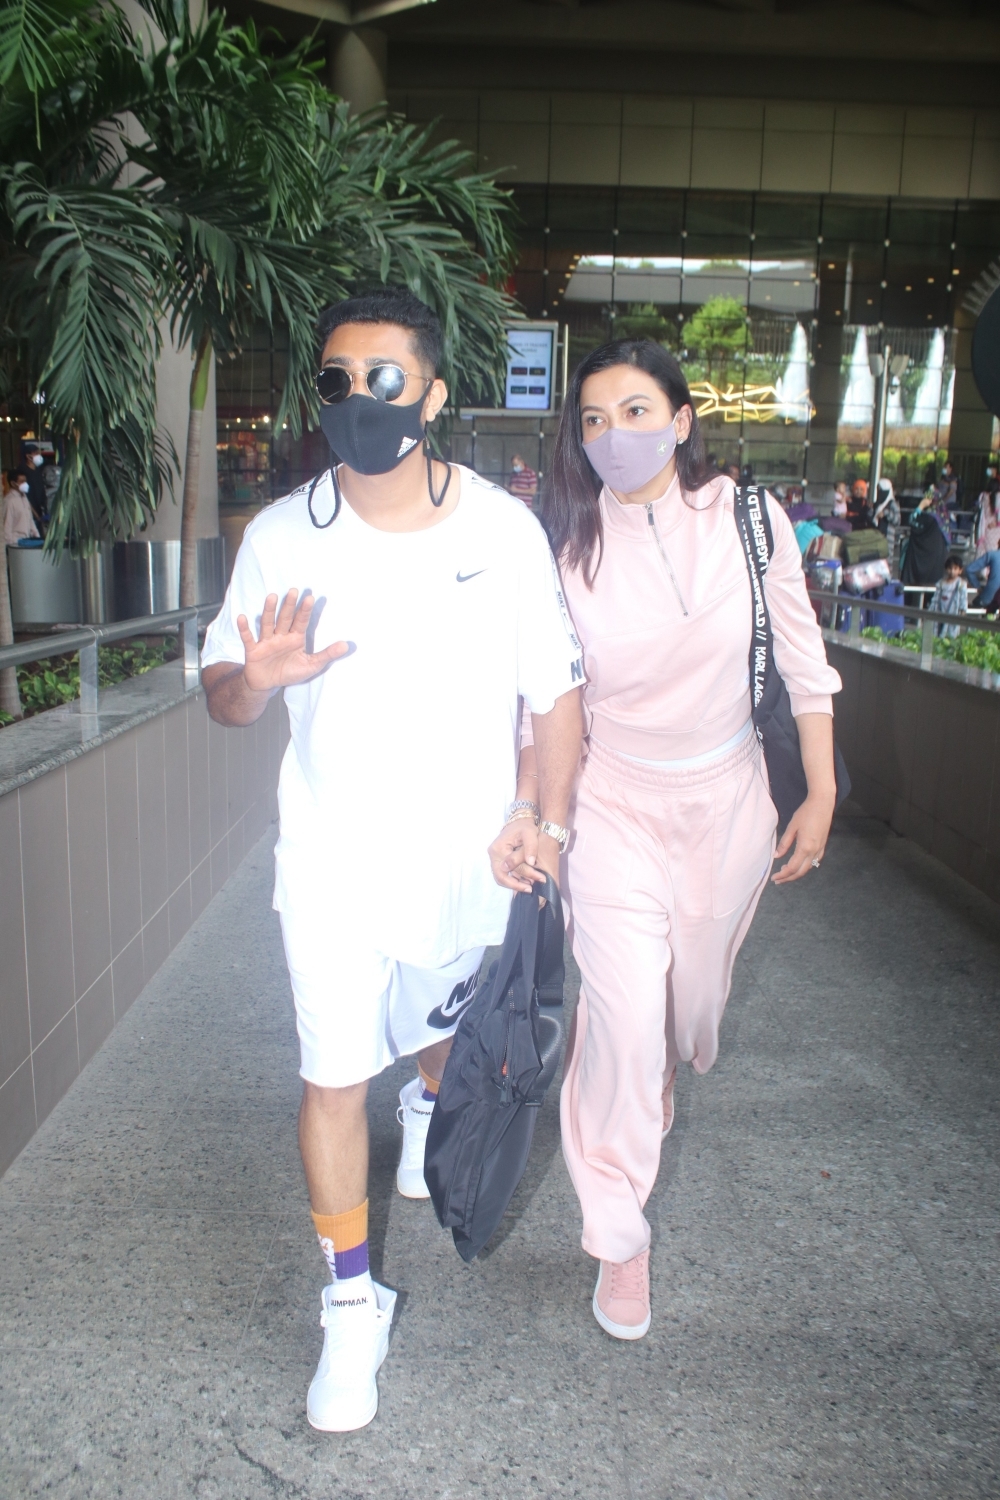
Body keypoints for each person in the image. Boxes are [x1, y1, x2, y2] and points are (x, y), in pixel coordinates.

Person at [201, 287, 583, 1432]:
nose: (356, 402)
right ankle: (350, 1306)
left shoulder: (499, 530)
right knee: (328, 1078)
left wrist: (544, 821)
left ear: (435, 394)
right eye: (335, 383)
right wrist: (254, 681)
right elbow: (221, 694)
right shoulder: (278, 536)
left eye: (383, 380)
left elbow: (555, 697)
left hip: (463, 866)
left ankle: (427, 1105)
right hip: (327, 861)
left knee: (435, 1043)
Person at [489, 339, 840, 1341]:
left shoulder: (747, 520)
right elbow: (543, 708)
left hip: (729, 806)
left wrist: (816, 792)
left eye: (636, 413)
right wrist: (532, 812)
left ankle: (657, 1075)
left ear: (682, 422)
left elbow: (804, 667)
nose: (615, 438)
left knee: (690, 1009)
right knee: (623, 1014)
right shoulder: (563, 547)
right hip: (613, 807)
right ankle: (618, 1234)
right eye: (593, 421)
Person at [900, 492, 949, 586]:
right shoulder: (943, 518)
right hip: (936, 560)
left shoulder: (927, 517)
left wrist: (920, 506)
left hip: (920, 561)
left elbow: (911, 520)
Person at [930, 555, 969, 637]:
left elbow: (963, 598)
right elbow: (935, 598)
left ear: (960, 570)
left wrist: (963, 610)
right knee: (937, 630)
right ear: (946, 569)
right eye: (950, 568)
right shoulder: (941, 583)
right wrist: (931, 610)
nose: (952, 571)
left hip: (953, 611)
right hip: (940, 610)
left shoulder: (961, 584)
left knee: (951, 632)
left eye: (955, 569)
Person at [3, 468, 40, 546]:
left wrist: (37, 536)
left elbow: (30, 520)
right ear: (13, 483)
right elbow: (6, 527)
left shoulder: (24, 497)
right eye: (22, 482)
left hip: (27, 541)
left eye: (25, 481)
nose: (25, 484)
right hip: (15, 543)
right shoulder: (9, 501)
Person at [873, 478, 901, 573]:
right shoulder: (878, 503)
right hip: (877, 536)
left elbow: (897, 520)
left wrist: (885, 513)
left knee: (886, 561)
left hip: (887, 537)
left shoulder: (893, 504)